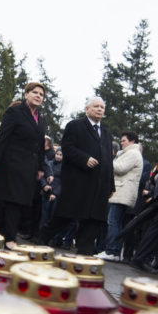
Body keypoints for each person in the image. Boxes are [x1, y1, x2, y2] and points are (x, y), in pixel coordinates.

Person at [38, 97, 115, 255]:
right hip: (78, 183)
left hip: (98, 187)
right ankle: (41, 239)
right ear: (87, 109)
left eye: (102, 107)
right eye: (96, 106)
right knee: (63, 217)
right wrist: (84, 159)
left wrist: (111, 185)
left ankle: (83, 257)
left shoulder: (106, 133)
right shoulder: (75, 126)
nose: (100, 109)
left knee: (92, 222)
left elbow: (108, 161)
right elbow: (67, 147)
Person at [0, 82, 47, 245]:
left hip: (29, 168)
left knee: (20, 202)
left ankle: (2, 230)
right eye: (35, 92)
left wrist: (41, 167)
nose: (38, 96)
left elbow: (40, 145)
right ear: (26, 94)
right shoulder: (15, 111)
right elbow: (3, 136)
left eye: (41, 94)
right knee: (11, 201)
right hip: (11, 164)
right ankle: (9, 238)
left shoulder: (42, 119)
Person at [98, 131, 143, 261]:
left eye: (124, 140)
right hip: (121, 192)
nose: (122, 143)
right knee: (115, 221)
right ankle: (113, 250)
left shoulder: (132, 153)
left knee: (113, 221)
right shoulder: (130, 153)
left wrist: (107, 159)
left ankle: (112, 251)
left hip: (123, 192)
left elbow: (120, 168)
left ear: (132, 141)